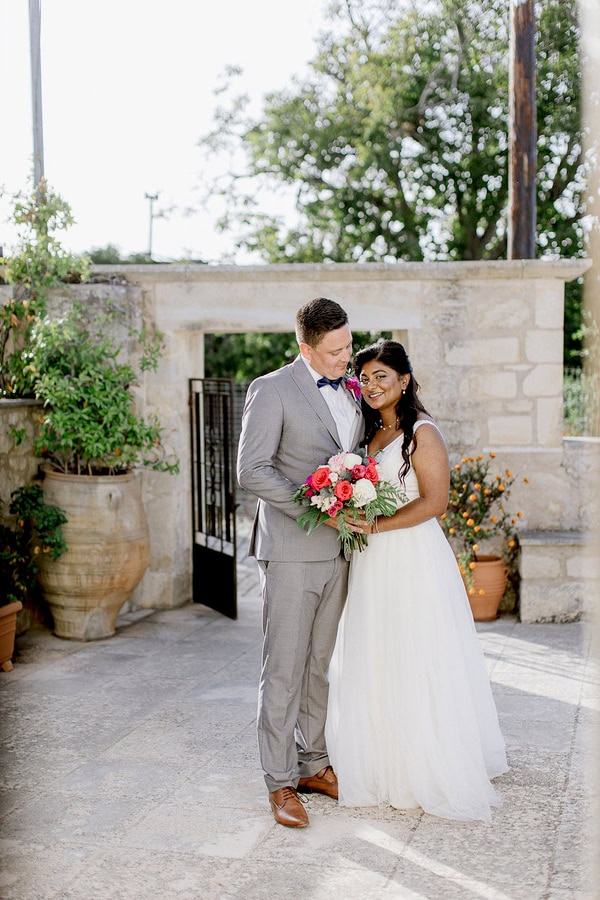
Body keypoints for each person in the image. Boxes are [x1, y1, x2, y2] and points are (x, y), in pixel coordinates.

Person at [325, 339, 509, 823]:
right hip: (370, 561)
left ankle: (421, 763)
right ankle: (379, 758)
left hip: (410, 556)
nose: (371, 386)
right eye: (364, 378)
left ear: (404, 381)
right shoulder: (365, 435)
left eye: (382, 376)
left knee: (415, 651)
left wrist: (379, 525)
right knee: (376, 650)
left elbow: (435, 502)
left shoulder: (421, 432)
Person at [237, 296, 364, 828]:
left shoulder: (353, 390)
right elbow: (253, 470)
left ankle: (314, 763)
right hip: (291, 550)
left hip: (340, 554)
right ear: (305, 347)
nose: (346, 358)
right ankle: (280, 782)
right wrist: (321, 508)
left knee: (319, 666)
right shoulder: (270, 390)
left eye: (349, 345)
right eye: (335, 351)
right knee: (284, 669)